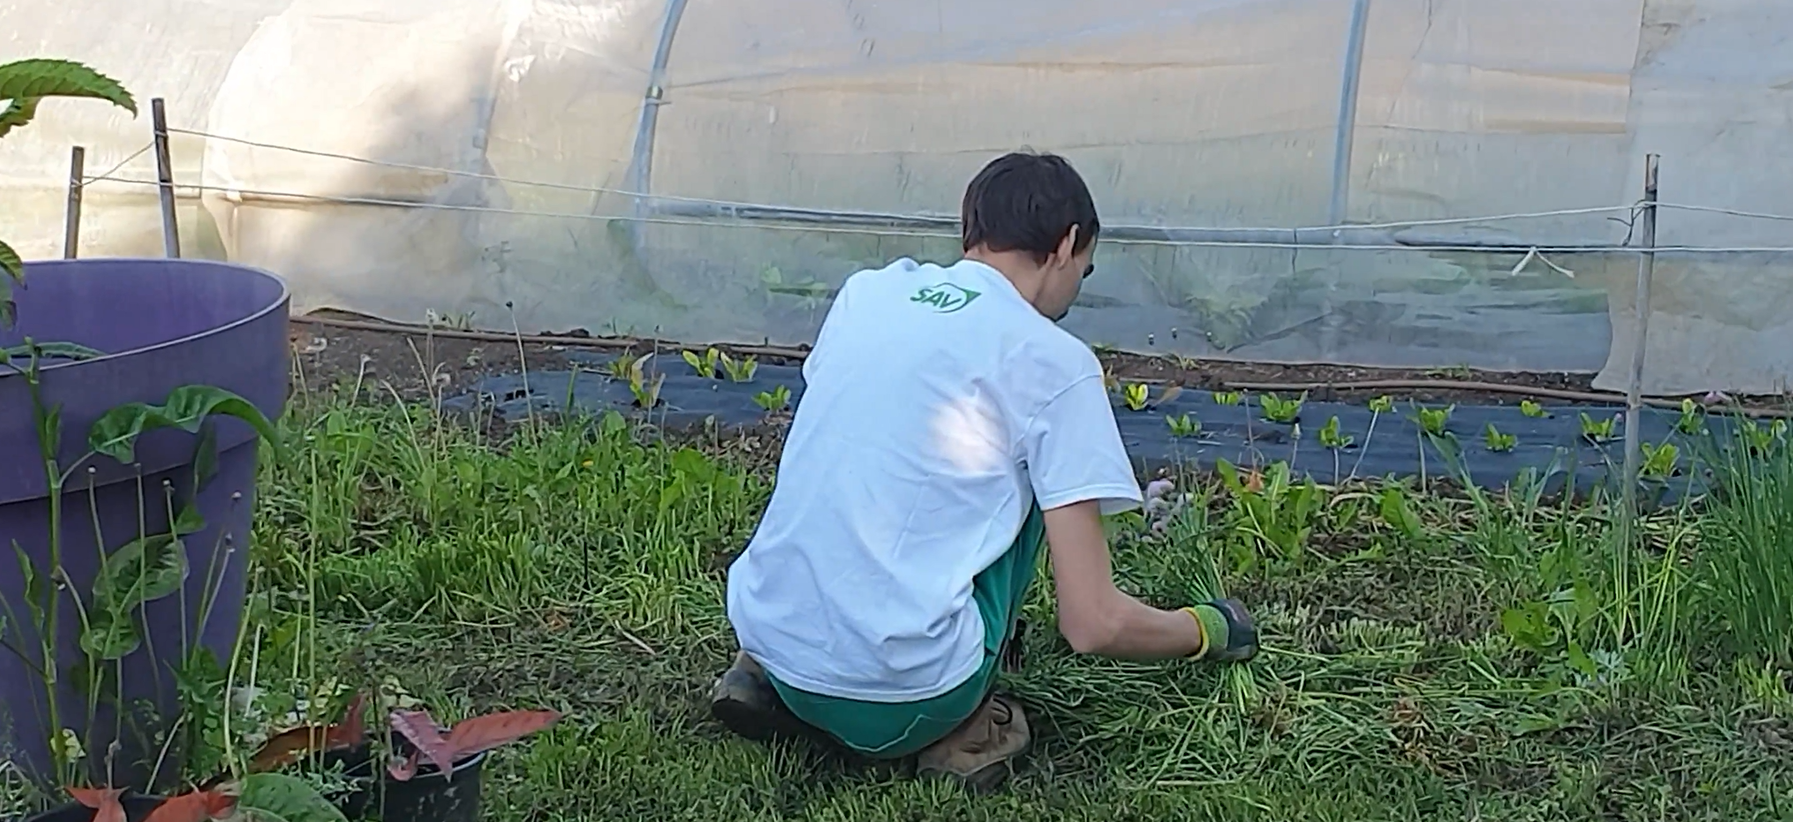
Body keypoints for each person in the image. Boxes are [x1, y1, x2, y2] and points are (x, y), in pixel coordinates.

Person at [709, 151, 1258, 793]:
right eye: (1085, 269)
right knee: (1036, 483)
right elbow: (1093, 624)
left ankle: (760, 675)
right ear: (1067, 245)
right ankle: (964, 733)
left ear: (973, 229)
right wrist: (1206, 629)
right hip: (903, 699)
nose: (1077, 288)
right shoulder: (1053, 360)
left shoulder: (868, 294)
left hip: (773, 639)